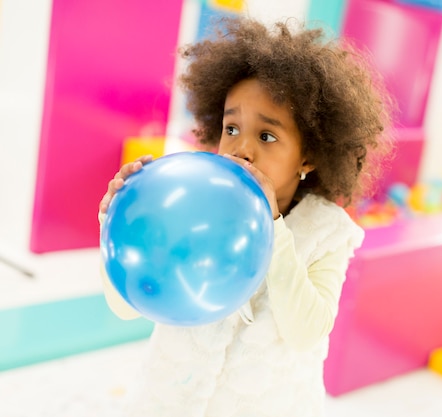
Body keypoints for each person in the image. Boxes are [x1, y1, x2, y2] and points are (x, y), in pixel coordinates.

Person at [98, 16, 393, 417]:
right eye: (231, 128)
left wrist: (273, 227)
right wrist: (117, 225)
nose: (241, 149)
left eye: (267, 136)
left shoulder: (328, 232)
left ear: (308, 155)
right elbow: (126, 305)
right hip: (171, 400)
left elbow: (305, 331)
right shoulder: (192, 204)